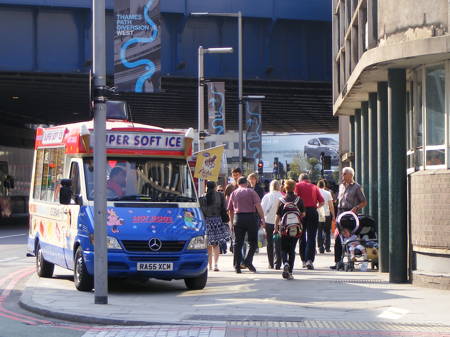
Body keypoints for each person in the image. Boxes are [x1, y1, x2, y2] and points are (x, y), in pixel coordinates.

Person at [330, 166, 367, 270]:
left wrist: (356, 208)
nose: (342, 175)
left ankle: (350, 259)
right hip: (340, 213)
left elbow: (364, 202)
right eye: (342, 174)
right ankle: (338, 262)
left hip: (350, 215)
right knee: (337, 238)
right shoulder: (341, 186)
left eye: (344, 174)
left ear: (350, 175)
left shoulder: (356, 187)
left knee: (349, 238)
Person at [228, 176, 266, 273]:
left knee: (238, 243)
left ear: (237, 183)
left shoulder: (233, 193)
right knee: (253, 243)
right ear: (247, 183)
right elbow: (258, 206)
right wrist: (263, 218)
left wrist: (232, 223)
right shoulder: (251, 192)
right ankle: (248, 261)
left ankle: (237, 266)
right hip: (250, 218)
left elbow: (230, 210)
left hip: (238, 218)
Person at [275, 179, 305, 280]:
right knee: (292, 249)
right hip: (296, 229)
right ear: (294, 187)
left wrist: (276, 227)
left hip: (284, 229)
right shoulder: (299, 200)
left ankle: (285, 263)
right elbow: (303, 214)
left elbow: (278, 216)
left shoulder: (282, 200)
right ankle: (290, 272)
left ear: (285, 187)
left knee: (283, 249)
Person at [295, 173, 324, 270]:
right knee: (311, 236)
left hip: (301, 212)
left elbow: (295, 199)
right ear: (308, 179)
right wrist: (315, 207)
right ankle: (309, 260)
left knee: (301, 236)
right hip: (312, 211)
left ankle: (303, 260)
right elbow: (322, 201)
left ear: (300, 179)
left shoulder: (297, 186)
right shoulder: (314, 187)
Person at [199, 181, 230, 272]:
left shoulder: (201, 197)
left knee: (208, 245)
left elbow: (200, 211)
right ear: (215, 187)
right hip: (217, 221)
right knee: (216, 245)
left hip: (206, 222)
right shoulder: (220, 195)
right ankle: (216, 265)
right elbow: (225, 208)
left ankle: (210, 266)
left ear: (206, 187)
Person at [261, 180, 283, 269]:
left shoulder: (267, 196)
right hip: (279, 223)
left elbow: (262, 209)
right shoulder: (282, 196)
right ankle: (278, 263)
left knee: (270, 243)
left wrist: (262, 221)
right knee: (278, 243)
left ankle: (270, 263)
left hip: (268, 222)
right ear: (279, 186)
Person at [317, 179, 335, 254]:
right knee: (327, 231)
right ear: (324, 185)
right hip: (327, 213)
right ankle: (327, 247)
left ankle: (320, 247)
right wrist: (333, 215)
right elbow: (331, 205)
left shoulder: (315, 192)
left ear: (318, 185)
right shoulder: (328, 193)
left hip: (319, 213)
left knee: (319, 230)